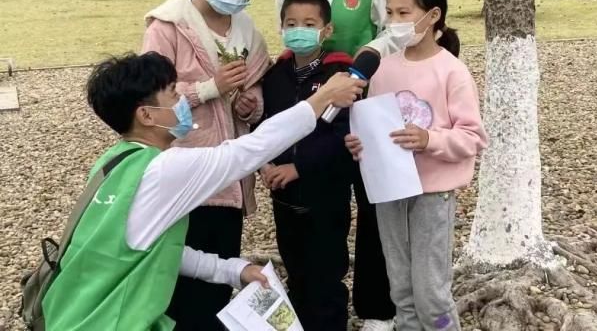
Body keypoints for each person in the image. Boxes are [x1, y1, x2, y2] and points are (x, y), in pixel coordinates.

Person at [41, 52, 366, 330]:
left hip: (73, 314)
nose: (182, 101)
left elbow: (155, 248)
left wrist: (232, 270)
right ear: (146, 115)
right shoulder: (163, 170)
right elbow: (247, 152)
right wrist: (321, 99)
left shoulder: (114, 161)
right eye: (172, 94)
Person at [276, 0, 398, 330]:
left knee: (371, 201)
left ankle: (376, 309)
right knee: (320, 196)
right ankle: (315, 296)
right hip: (313, 98)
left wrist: (365, 61)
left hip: (365, 95)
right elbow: (286, 30)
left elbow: (394, 27)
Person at [345, 0, 488, 331]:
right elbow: (375, 126)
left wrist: (429, 139)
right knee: (401, 289)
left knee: (431, 292)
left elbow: (472, 137)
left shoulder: (452, 72)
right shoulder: (381, 68)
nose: (394, 22)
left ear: (433, 14)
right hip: (390, 193)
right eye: (389, 13)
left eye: (403, 13)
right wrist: (360, 143)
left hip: (432, 196)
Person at [142, 0, 270, 329]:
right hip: (184, 164)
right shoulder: (168, 26)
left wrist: (250, 104)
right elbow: (150, 98)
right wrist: (210, 87)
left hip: (228, 172)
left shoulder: (246, 30)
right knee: (178, 266)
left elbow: (256, 85)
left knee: (222, 265)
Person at [259, 0, 357, 331]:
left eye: (309, 23)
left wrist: (299, 168)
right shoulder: (275, 76)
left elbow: (343, 136)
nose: (298, 30)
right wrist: (266, 164)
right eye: (291, 23)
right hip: (284, 198)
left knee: (326, 278)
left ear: (326, 30)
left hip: (325, 198)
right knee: (296, 272)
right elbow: (265, 125)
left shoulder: (341, 76)